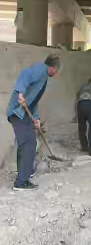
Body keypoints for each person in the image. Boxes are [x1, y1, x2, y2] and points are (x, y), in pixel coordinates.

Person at [6, 54, 60, 191]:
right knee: (28, 142)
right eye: (57, 70)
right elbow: (25, 74)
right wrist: (20, 93)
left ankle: (25, 172)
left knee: (27, 142)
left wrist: (36, 120)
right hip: (17, 112)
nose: (56, 72)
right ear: (53, 68)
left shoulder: (43, 77)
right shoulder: (40, 70)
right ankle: (21, 182)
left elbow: (33, 102)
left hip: (23, 114)